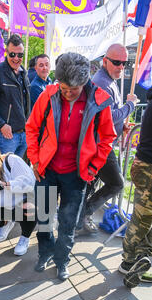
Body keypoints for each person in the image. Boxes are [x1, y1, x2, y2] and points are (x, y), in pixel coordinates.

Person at [26, 52, 116, 281]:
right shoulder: (49, 95)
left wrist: (94, 167)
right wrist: (35, 160)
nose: (66, 93)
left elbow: (107, 137)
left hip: (77, 173)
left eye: (72, 90)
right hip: (46, 169)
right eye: (63, 88)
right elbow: (32, 127)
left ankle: (62, 259)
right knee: (44, 217)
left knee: (68, 221)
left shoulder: (98, 100)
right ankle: (45, 252)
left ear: (84, 83)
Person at [77, 43, 138, 234]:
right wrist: (130, 105)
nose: (121, 67)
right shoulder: (102, 82)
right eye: (117, 62)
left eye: (124, 63)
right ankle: (82, 215)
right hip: (99, 144)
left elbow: (110, 118)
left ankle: (78, 219)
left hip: (101, 142)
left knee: (91, 181)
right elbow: (109, 116)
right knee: (117, 183)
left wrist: (122, 126)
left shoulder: (109, 79)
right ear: (105, 61)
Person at [118, 93, 152, 288]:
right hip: (149, 167)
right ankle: (133, 260)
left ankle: (137, 257)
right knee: (142, 219)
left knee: (142, 217)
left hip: (142, 163)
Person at [0, 34, 30, 158]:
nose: (16, 58)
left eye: (20, 55)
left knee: (17, 174)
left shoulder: (24, 73)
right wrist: (1, 125)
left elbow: (26, 103)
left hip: (23, 134)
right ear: (6, 53)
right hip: (6, 136)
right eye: (12, 54)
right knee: (5, 174)